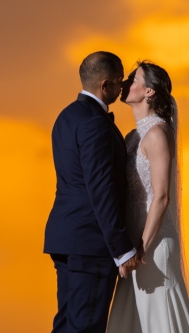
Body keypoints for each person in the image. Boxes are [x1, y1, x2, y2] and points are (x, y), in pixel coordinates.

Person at [44, 51, 143, 332]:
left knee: (67, 324)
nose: (123, 86)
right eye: (119, 80)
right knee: (86, 327)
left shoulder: (66, 116)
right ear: (105, 84)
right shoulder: (94, 122)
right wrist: (121, 248)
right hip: (90, 242)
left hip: (66, 237)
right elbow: (101, 188)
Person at [107, 61, 189, 332]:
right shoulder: (133, 136)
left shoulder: (157, 133)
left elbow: (162, 196)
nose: (125, 83)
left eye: (134, 79)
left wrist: (141, 249)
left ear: (149, 91)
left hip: (152, 245)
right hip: (133, 245)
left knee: (158, 321)